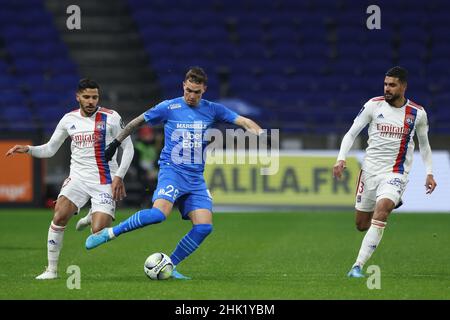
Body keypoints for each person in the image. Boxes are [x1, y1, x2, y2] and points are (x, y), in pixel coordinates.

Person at [85, 67, 265, 279]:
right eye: (188, 90)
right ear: (183, 86)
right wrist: (116, 142)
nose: (191, 96)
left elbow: (243, 121)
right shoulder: (169, 107)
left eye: (196, 92)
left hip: (195, 178)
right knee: (157, 215)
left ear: (204, 90)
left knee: (204, 228)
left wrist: (261, 134)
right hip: (172, 171)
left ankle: (170, 265)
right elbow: (137, 122)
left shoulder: (212, 109)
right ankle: (109, 233)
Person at [6, 79, 134, 280]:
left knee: (98, 232)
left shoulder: (111, 117)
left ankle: (93, 215)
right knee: (59, 216)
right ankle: (51, 270)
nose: (91, 101)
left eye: (94, 97)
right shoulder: (68, 120)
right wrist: (28, 150)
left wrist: (119, 176)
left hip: (105, 181)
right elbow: (50, 149)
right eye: (86, 97)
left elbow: (128, 148)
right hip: (79, 178)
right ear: (78, 97)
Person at [333, 66, 437, 278]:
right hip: (370, 172)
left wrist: (429, 172)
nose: (387, 89)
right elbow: (351, 133)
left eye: (392, 85)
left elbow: (424, 145)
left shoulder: (417, 113)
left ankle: (357, 266)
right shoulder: (373, 105)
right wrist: (341, 158)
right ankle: (389, 199)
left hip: (395, 173)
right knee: (361, 225)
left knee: (383, 209)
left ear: (403, 87)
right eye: (385, 84)